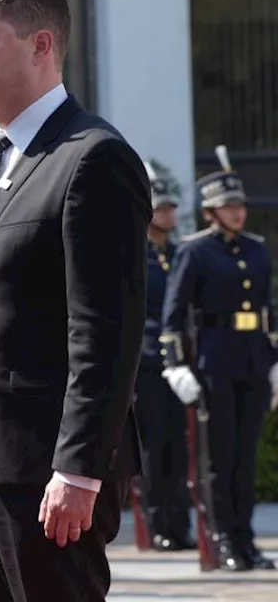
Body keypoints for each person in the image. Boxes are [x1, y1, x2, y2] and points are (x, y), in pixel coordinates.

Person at [0, 0, 149, 601]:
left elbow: (105, 332)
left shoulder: (92, 157)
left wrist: (80, 469)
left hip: (46, 470)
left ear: (40, 45)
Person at [160, 151, 278, 571]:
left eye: (241, 205)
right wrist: (175, 364)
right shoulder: (195, 252)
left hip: (253, 362)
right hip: (214, 363)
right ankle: (223, 540)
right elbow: (173, 314)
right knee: (218, 461)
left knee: (245, 459)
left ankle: (247, 541)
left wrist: (275, 361)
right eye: (229, 206)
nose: (238, 212)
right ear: (211, 212)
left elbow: (269, 310)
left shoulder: (258, 251)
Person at [133, 165, 192, 552]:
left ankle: (181, 524)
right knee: (153, 450)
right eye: (161, 207)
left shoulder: (182, 253)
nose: (168, 214)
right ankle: (159, 526)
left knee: (180, 448)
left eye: (172, 207)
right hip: (149, 363)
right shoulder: (135, 254)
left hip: (182, 365)